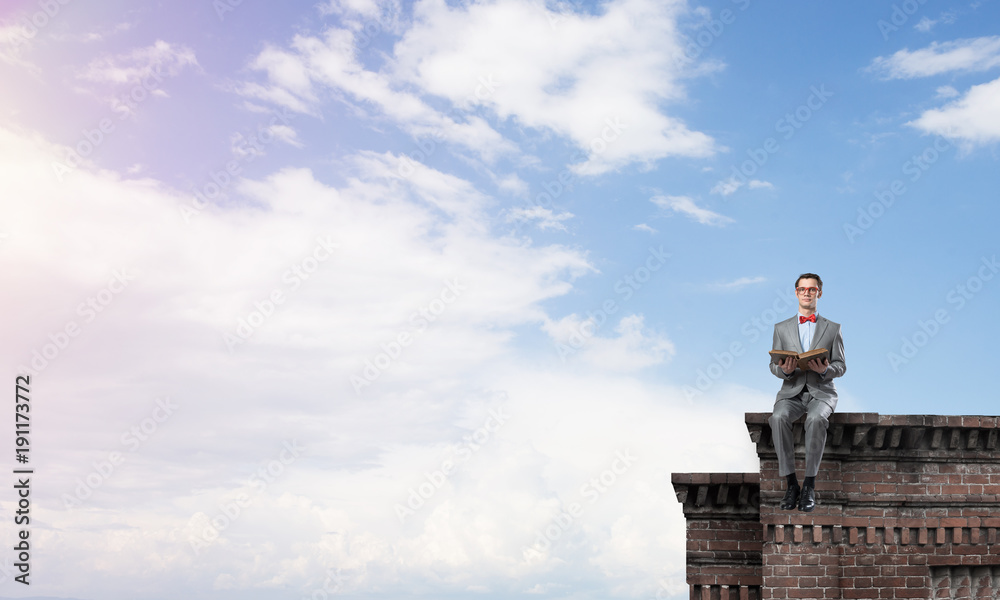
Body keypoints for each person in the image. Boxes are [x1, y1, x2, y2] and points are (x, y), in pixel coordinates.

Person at [768, 273, 846, 512]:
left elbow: (841, 366)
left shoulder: (833, 328)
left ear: (819, 293)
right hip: (791, 392)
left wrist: (825, 370)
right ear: (796, 293)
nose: (807, 293)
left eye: (811, 290)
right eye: (802, 289)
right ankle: (791, 484)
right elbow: (773, 365)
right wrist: (787, 371)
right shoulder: (781, 328)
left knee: (815, 419)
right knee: (778, 418)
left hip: (821, 392)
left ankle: (809, 485)